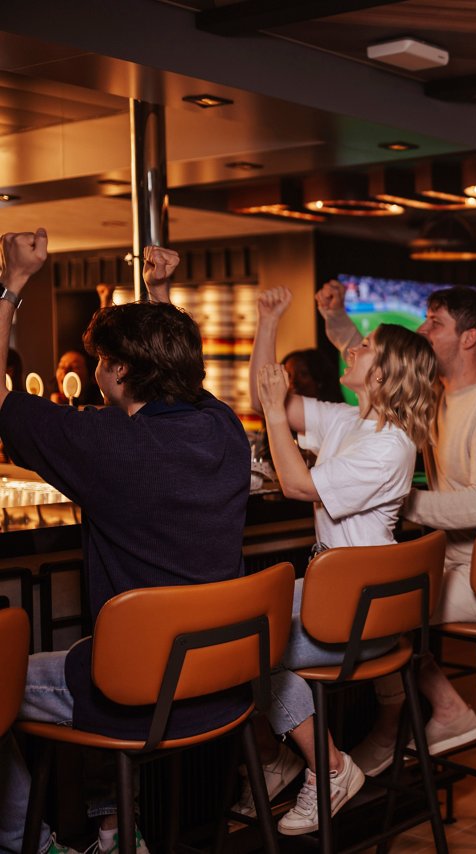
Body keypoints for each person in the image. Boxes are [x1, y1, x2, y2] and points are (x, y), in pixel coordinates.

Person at [0, 235, 250, 854]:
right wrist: (160, 294)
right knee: (96, 648)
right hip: (222, 686)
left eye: (100, 360)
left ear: (113, 370)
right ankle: (116, 829)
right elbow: (185, 379)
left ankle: (27, 842)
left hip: (140, 692)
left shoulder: (106, 443)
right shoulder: (224, 429)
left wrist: (10, 283)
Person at [238, 287, 437, 835]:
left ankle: (328, 768)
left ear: (385, 374)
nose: (353, 349)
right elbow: (264, 400)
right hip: (333, 599)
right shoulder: (350, 421)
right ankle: (281, 759)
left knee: (250, 645)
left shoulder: (392, 445)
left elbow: (299, 486)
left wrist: (279, 417)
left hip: (362, 617)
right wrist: (269, 320)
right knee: (235, 634)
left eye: (366, 347)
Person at [314, 281, 476, 772]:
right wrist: (337, 319)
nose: (422, 330)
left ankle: (431, 716)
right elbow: (376, 363)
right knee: (378, 606)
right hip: (446, 562)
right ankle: (417, 720)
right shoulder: (439, 389)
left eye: (435, 323)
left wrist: (400, 500)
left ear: (468, 338)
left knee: (382, 611)